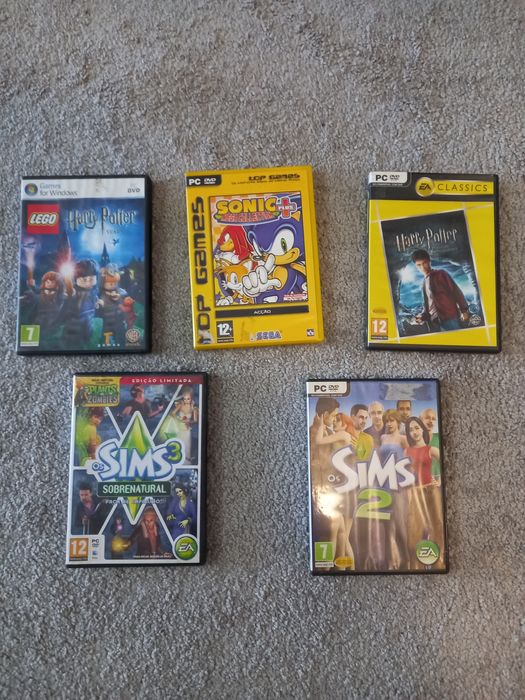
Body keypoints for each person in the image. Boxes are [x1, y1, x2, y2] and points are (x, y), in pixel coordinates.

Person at [310, 397, 356, 569]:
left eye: (339, 418)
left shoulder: (332, 433)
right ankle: (329, 568)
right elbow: (316, 463)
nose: (335, 419)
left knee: (341, 534)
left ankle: (340, 569)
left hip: (338, 489)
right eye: (334, 416)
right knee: (339, 533)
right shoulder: (315, 432)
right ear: (325, 414)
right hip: (326, 492)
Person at [405, 416, 444, 568]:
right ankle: (416, 567)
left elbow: (446, 463)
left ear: (422, 429)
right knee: (414, 529)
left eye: (416, 428)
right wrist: (409, 496)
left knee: (437, 525)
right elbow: (405, 476)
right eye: (411, 430)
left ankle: (438, 563)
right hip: (415, 492)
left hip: (431, 490)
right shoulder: (407, 451)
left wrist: (439, 480)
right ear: (408, 433)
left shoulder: (431, 449)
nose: (414, 432)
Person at [379, 410, 410, 570]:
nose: (389, 423)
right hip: (383, 484)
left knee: (399, 523)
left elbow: (410, 461)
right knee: (386, 524)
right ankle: (390, 561)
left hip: (397, 484)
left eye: (392, 420)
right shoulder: (383, 438)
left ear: (398, 422)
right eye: (387, 421)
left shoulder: (403, 439)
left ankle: (406, 559)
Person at [412, 249, 470, 332]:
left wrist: (464, 310)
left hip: (450, 318)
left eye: (424, 263)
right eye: (419, 265)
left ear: (429, 262)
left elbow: (456, 291)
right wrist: (422, 317)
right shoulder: (424, 283)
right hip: (434, 323)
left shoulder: (441, 274)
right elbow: (429, 306)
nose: (422, 267)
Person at [420, 408, 441, 481]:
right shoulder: (415, 440)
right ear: (420, 420)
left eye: (433, 419)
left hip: (438, 478)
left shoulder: (439, 437)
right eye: (427, 418)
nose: (431, 421)